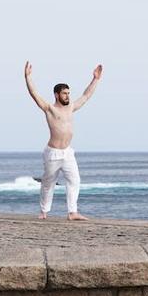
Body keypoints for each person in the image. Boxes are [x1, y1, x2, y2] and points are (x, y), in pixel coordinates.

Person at [24, 61, 102, 221]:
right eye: (64, 93)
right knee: (48, 182)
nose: (68, 96)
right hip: (52, 153)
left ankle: (72, 212)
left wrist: (95, 79)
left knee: (74, 180)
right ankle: (44, 212)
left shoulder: (71, 107)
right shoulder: (49, 109)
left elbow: (86, 96)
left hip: (67, 153)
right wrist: (27, 77)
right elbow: (34, 94)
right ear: (56, 95)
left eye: (68, 93)